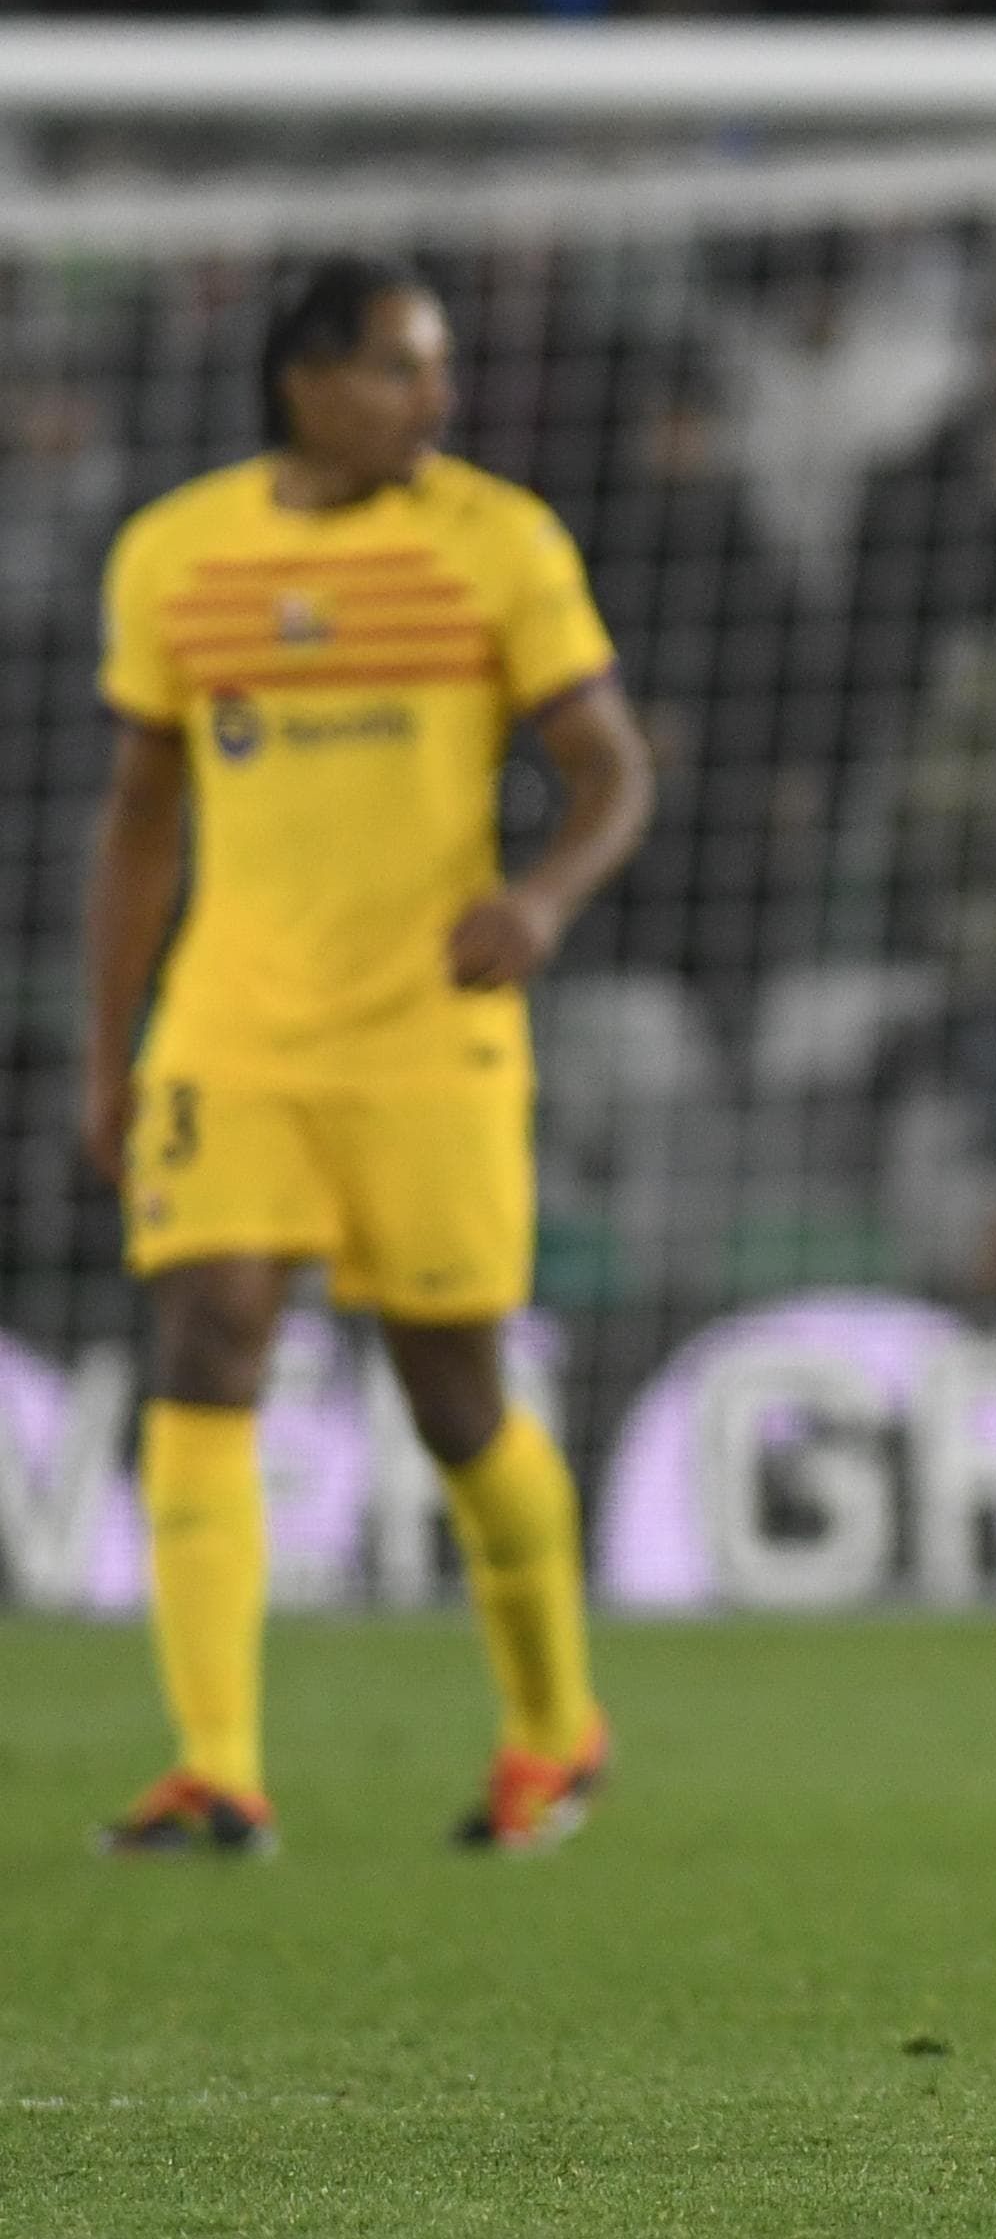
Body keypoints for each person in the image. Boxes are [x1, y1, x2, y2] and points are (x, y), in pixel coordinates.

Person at [83, 257, 656, 1857]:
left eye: (438, 368)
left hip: (428, 1027)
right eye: (406, 368)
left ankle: (555, 1730)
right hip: (235, 1023)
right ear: (306, 383)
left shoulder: (497, 542)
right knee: (208, 1336)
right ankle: (217, 1768)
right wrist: (107, 1050)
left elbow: (612, 767)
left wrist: (540, 900)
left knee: (451, 1388)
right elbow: (138, 821)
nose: (438, 398)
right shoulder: (177, 556)